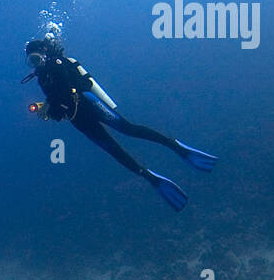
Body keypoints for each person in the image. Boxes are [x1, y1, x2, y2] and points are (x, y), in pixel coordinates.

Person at [22, 33, 217, 211]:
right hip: (78, 119)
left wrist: (52, 106)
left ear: (45, 54)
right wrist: (50, 110)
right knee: (112, 150)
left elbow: (67, 90)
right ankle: (149, 176)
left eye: (36, 59)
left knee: (128, 129)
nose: (35, 64)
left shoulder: (57, 63)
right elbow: (58, 105)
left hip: (89, 105)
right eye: (31, 62)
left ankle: (174, 145)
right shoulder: (42, 79)